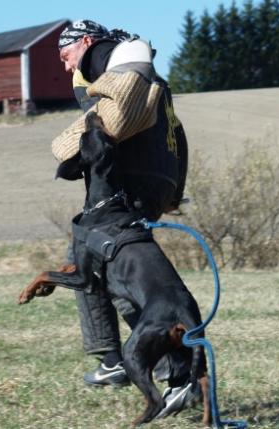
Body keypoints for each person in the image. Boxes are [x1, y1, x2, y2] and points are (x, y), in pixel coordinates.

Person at [55, 19, 196, 417]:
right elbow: (178, 132)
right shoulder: (151, 75)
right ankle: (174, 371)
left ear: (84, 42)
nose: (68, 68)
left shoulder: (103, 57)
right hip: (159, 177)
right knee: (118, 270)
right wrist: (174, 188)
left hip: (132, 180)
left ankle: (133, 363)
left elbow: (113, 116)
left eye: (66, 56)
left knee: (97, 263)